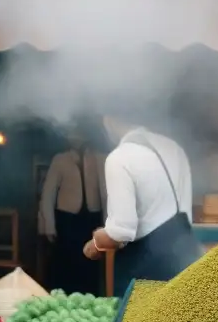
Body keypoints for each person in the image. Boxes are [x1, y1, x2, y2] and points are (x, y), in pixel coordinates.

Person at [82, 115, 203, 295]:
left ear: (108, 121)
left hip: (149, 272)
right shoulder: (174, 148)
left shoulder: (119, 158)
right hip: (188, 258)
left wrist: (97, 242)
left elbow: (121, 231)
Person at [39, 124, 107, 294]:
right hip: (67, 218)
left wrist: (107, 223)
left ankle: (89, 300)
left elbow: (106, 193)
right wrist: (49, 225)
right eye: (73, 134)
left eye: (80, 134)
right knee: (65, 262)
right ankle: (63, 299)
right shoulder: (60, 160)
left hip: (92, 218)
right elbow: (48, 194)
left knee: (90, 263)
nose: (76, 138)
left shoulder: (100, 159)